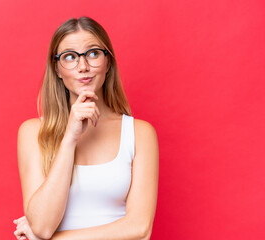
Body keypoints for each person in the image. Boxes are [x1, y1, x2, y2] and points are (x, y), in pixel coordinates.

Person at [13, 16, 159, 240]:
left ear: (108, 62)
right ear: (58, 70)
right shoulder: (33, 132)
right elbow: (42, 225)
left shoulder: (140, 133)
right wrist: (69, 139)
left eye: (92, 53)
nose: (83, 66)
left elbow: (140, 229)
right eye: (70, 57)